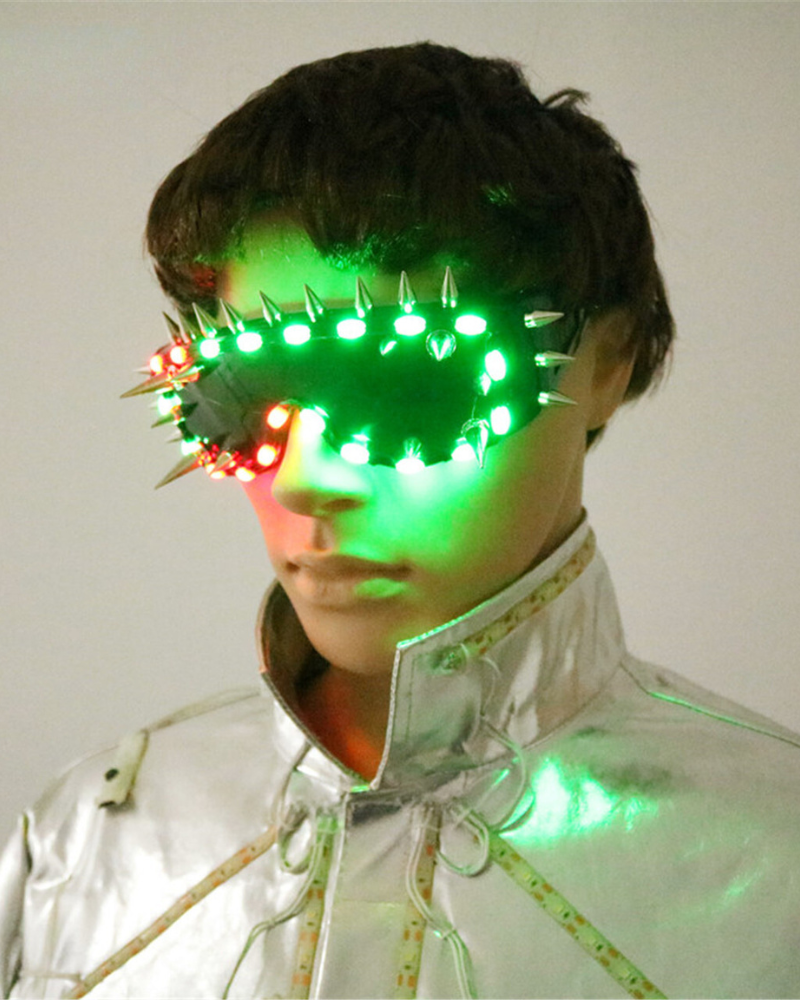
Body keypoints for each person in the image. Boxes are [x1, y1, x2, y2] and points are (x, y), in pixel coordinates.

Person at [1, 42, 798, 1000]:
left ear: (607, 361)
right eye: (235, 393)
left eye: (408, 380)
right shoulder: (84, 846)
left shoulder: (777, 870)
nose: (306, 478)